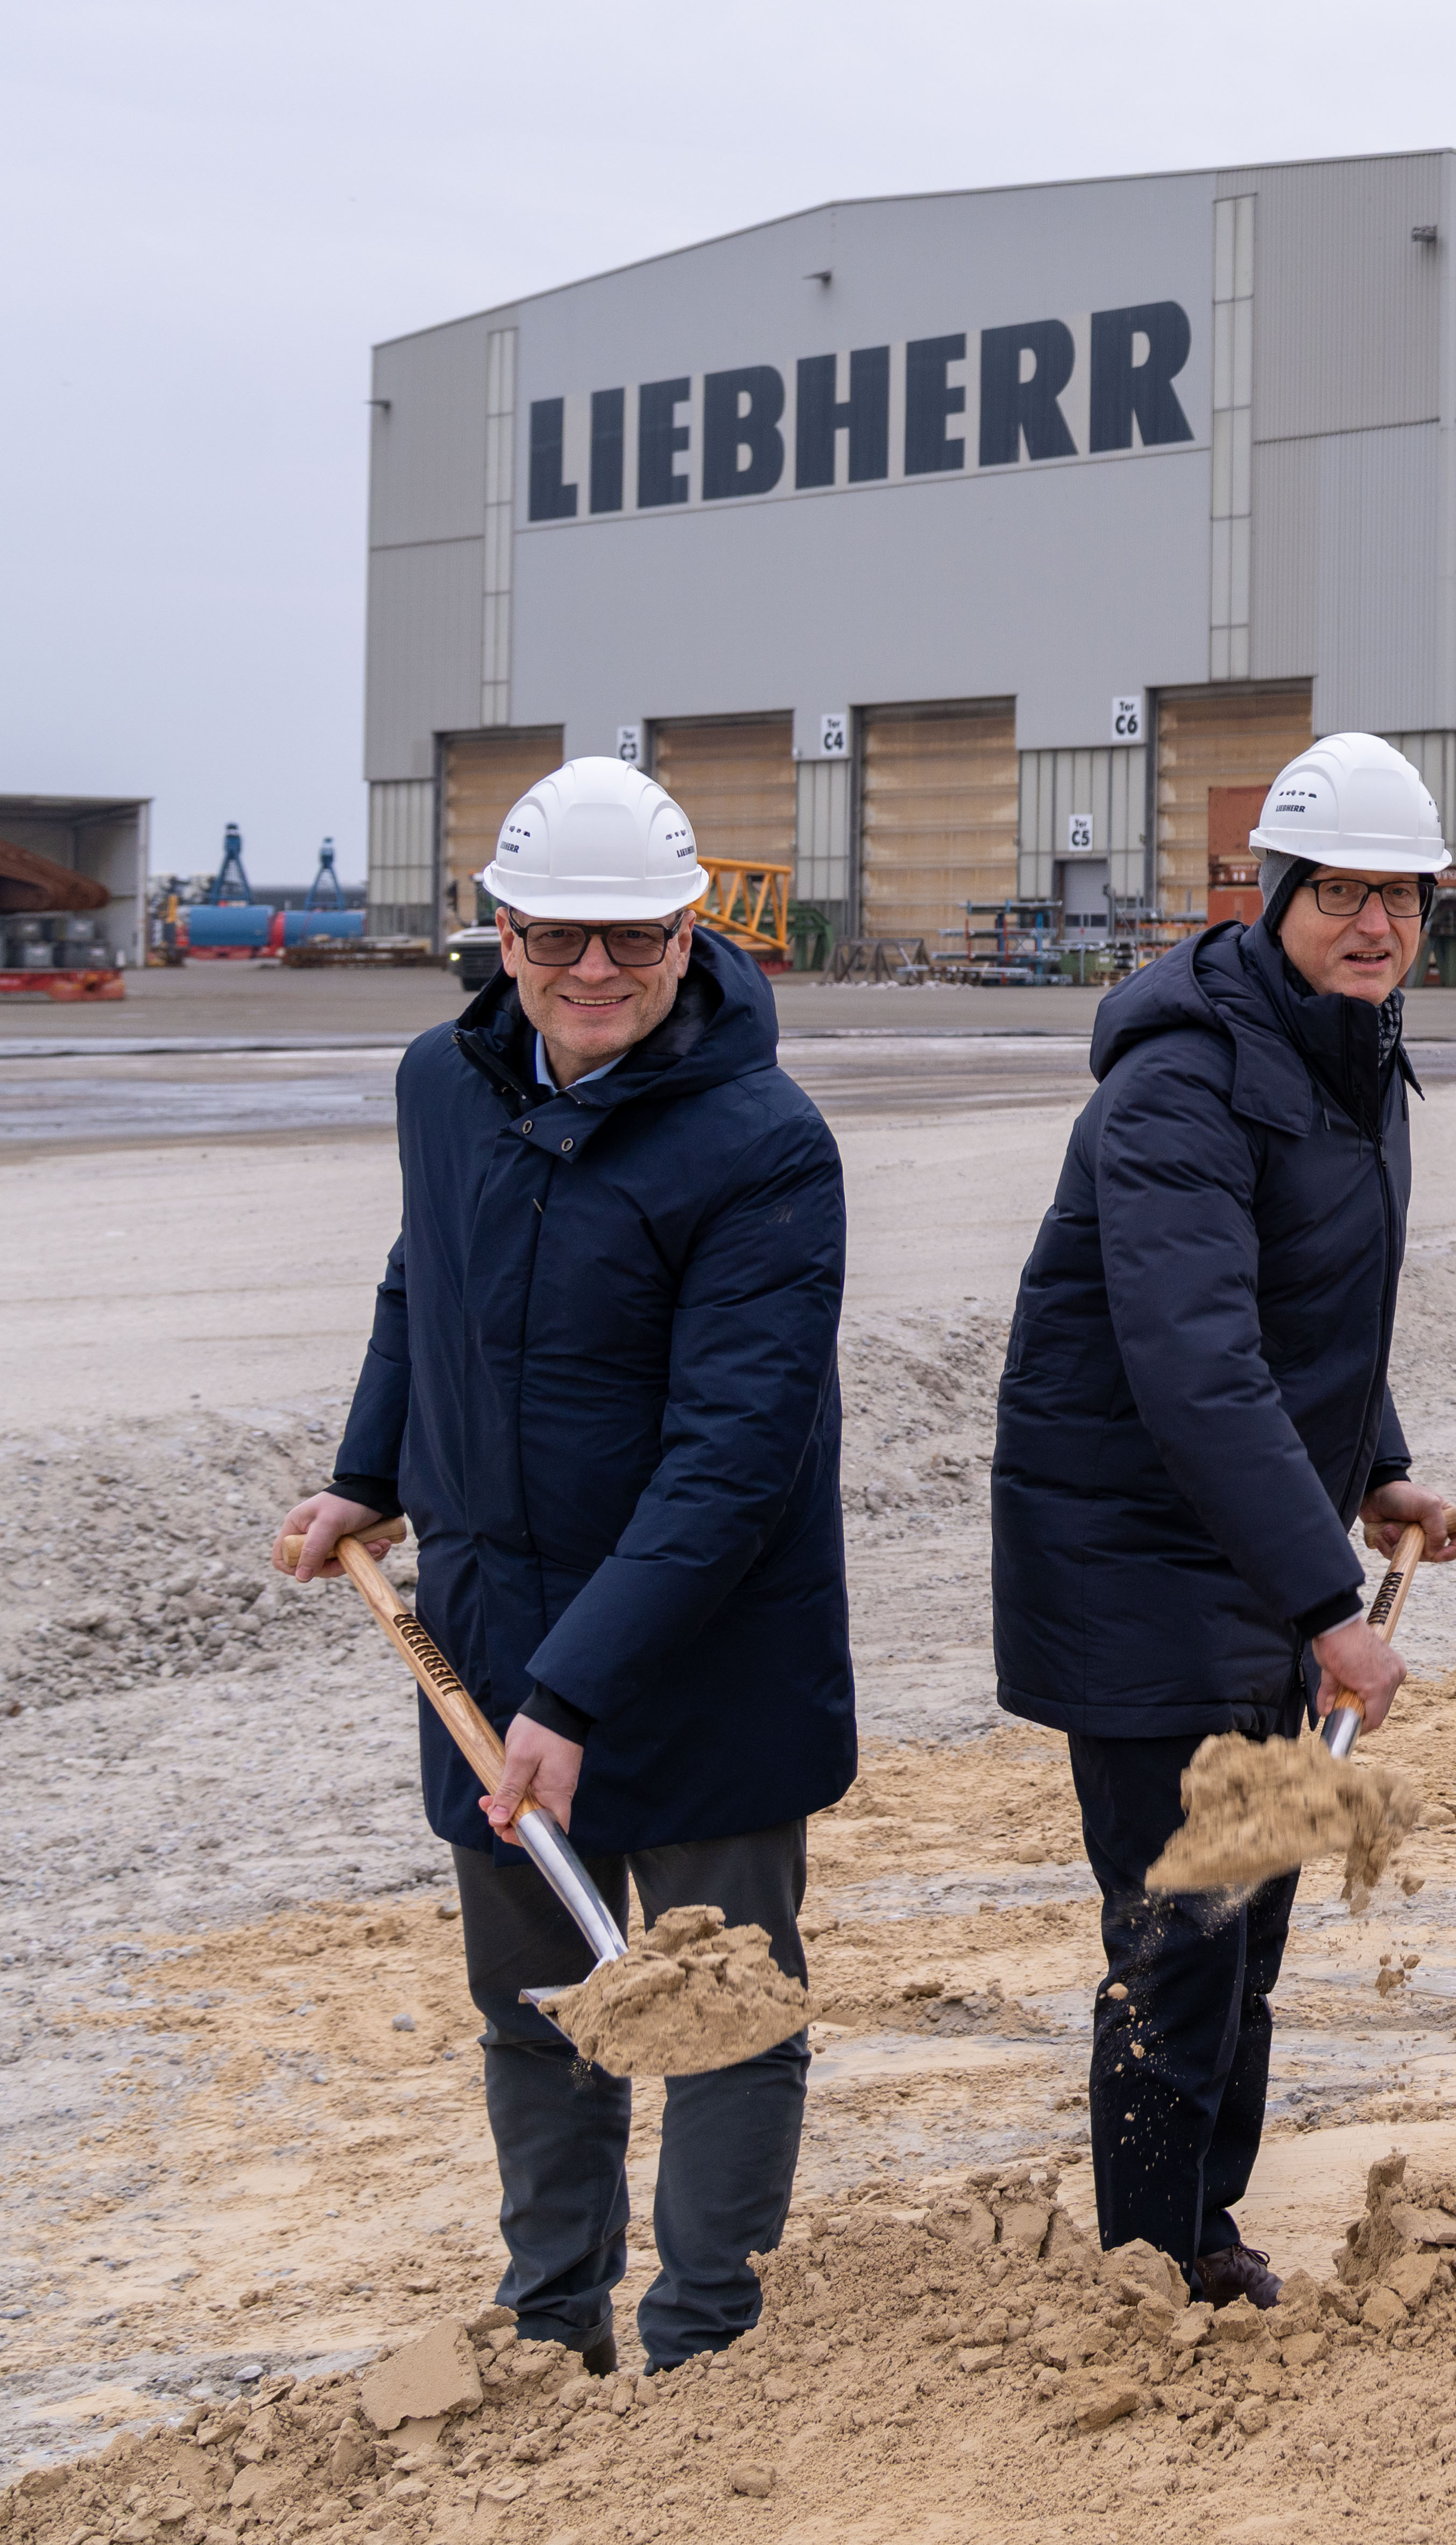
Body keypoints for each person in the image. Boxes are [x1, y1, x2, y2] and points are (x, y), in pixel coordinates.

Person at [270, 756, 852, 2374]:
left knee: (718, 2008)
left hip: (714, 1646)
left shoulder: (766, 1146)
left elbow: (733, 1460)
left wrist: (578, 1689)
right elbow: (421, 1284)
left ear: (689, 936)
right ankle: (552, 2323)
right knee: (540, 2009)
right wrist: (367, 1479)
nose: (594, 971)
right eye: (555, 936)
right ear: (501, 935)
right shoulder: (440, 1086)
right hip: (496, 1623)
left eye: (634, 939)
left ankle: (703, 2336)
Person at [991, 731, 1456, 2307]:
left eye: (1401, 898)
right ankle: (1161, 2256)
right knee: (1184, 1919)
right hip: (1134, 1554)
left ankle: (1201, 2224)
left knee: (1244, 1912)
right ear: (1270, 893)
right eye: (1340, 890)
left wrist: (1377, 1466)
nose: (1373, 923)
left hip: (1247, 1552)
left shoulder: (1354, 1052)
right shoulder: (1182, 1077)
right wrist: (1329, 1605)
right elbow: (1195, 1362)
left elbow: (1311, 1316)